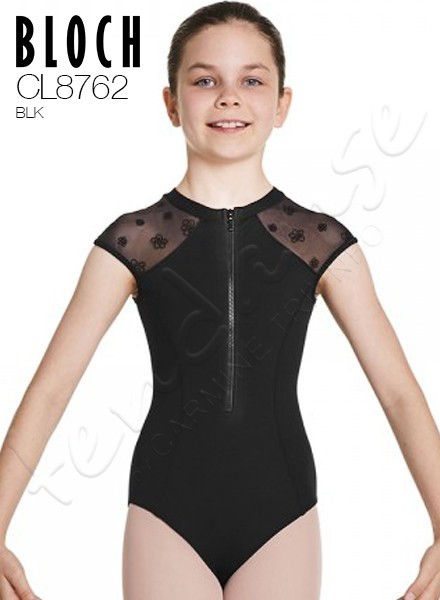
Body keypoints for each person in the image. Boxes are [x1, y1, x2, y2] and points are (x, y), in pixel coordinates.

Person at [1, 2, 440, 599]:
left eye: (252, 81)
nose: (229, 97)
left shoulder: (321, 243)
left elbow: (399, 393)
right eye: (205, 81)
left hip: (281, 514)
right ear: (171, 103)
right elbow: (52, 390)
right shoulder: (131, 242)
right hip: (166, 514)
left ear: (282, 104)